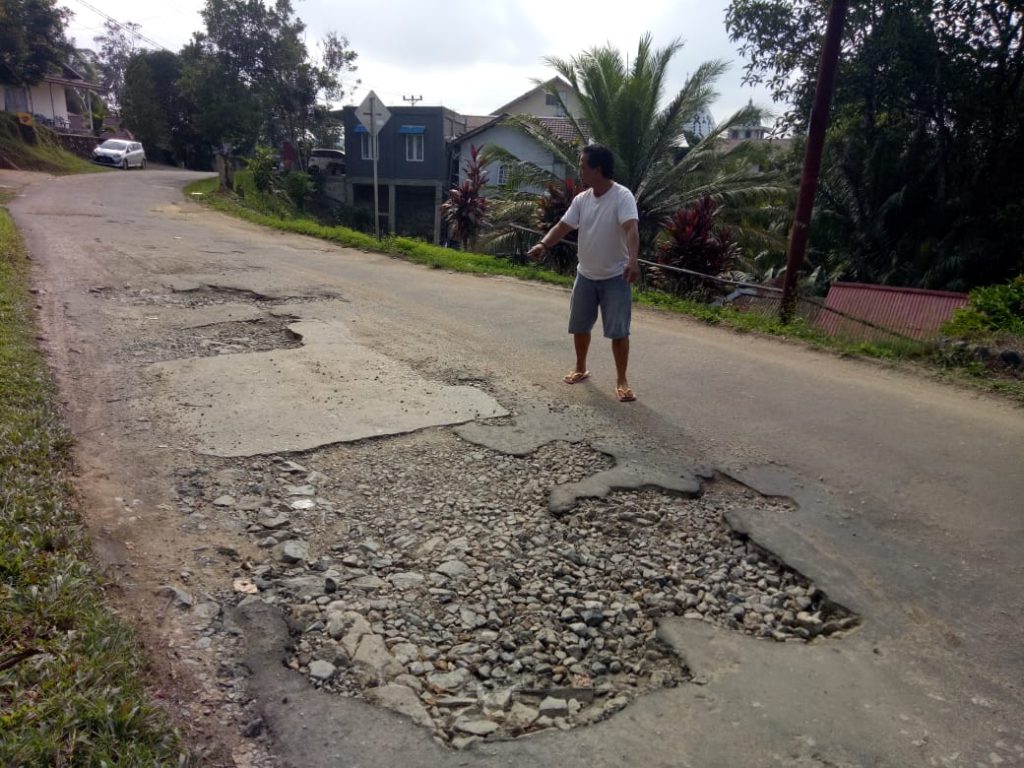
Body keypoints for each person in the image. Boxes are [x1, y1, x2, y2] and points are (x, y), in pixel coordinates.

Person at [528, 144, 641, 402]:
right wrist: (543, 244)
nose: (579, 171)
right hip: (586, 275)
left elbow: (631, 229)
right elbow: (563, 225)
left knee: (619, 331)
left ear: (597, 169)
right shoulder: (582, 199)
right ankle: (580, 367)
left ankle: (622, 380)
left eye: (582, 166)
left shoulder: (622, 196)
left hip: (615, 277)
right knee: (580, 326)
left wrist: (633, 261)